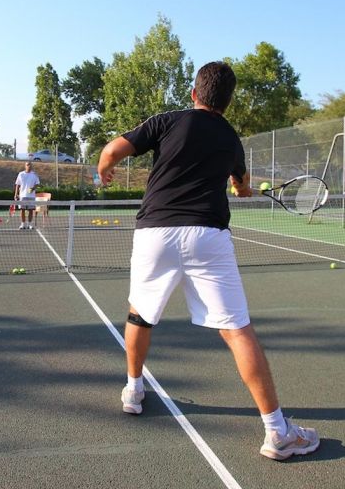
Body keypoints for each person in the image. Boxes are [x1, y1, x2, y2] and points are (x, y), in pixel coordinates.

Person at [96, 61, 319, 461]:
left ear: (195, 93)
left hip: (155, 234)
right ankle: (277, 432)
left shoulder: (166, 121)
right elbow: (242, 186)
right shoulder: (233, 140)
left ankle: (133, 388)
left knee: (138, 316)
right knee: (237, 332)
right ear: (227, 102)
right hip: (207, 237)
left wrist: (105, 168)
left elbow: (112, 150)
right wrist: (243, 188)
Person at [14, 161, 40, 230]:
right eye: (27, 165)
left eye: (30, 165)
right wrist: (16, 194)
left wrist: (33, 188)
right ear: (25, 166)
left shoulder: (34, 174)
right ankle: (22, 224)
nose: (29, 166)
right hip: (22, 196)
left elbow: (37, 183)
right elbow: (17, 184)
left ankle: (30, 224)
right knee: (22, 210)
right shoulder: (21, 174)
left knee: (31, 210)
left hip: (31, 196)